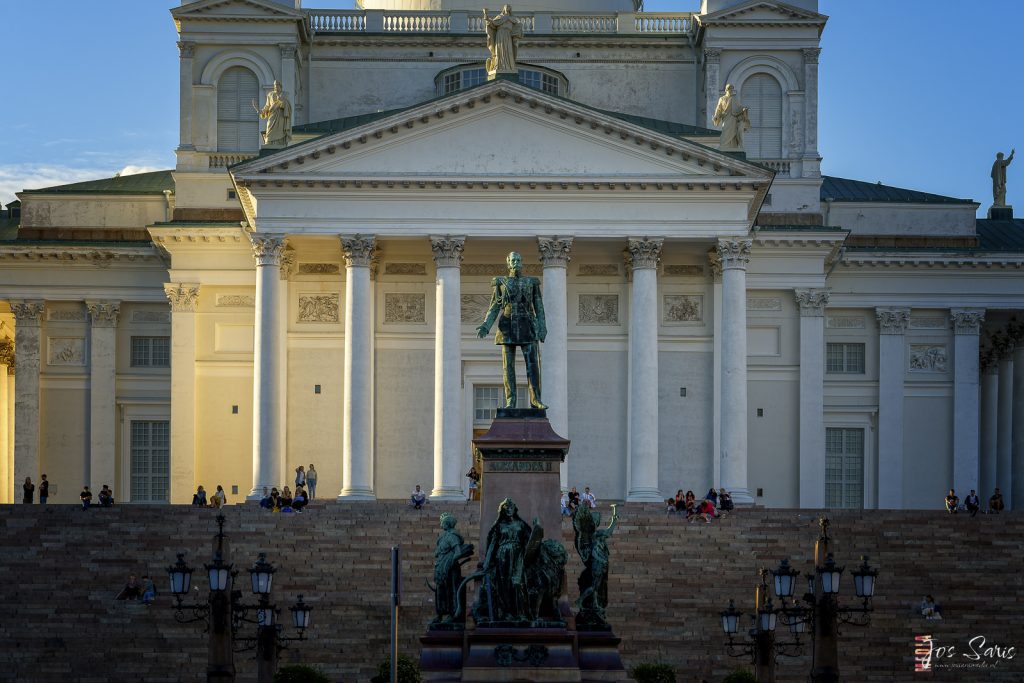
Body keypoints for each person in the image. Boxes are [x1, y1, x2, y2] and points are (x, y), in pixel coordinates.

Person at [476, 251, 548, 409]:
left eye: (518, 260)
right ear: (508, 263)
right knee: (508, 366)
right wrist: (486, 325)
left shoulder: (531, 283)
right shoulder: (501, 283)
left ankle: (536, 400)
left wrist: (542, 327)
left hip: (528, 325)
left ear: (522, 262)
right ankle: (511, 401)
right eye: (513, 260)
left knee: (533, 365)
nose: (516, 263)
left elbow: (539, 307)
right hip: (507, 326)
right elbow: (494, 306)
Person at [483, 5, 524, 78]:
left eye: (509, 7)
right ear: (504, 9)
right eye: (506, 7)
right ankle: (499, 65)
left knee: (508, 51)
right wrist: (486, 16)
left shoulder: (512, 19)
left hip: (508, 35)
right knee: (500, 50)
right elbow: (492, 23)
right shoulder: (500, 17)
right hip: (500, 35)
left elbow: (517, 26)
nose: (507, 8)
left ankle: (509, 66)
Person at [712, 83, 750, 152]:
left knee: (733, 133)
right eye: (729, 89)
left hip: (733, 119)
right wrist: (716, 116)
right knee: (725, 132)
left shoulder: (734, 99)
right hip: (726, 118)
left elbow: (739, 107)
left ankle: (732, 147)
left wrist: (744, 109)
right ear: (726, 90)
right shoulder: (722, 99)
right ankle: (723, 146)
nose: (731, 90)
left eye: (732, 89)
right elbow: (718, 109)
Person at [255, 80, 292, 146]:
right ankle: (269, 142)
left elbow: (288, 105)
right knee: (269, 128)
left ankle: (280, 143)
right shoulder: (270, 94)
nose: (276, 86)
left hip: (281, 116)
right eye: (275, 85)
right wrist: (261, 111)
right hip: (272, 114)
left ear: (280, 86)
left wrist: (282, 101)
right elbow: (267, 106)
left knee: (280, 130)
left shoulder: (285, 94)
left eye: (277, 84)